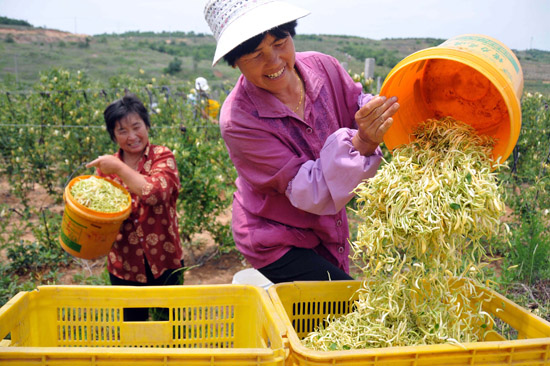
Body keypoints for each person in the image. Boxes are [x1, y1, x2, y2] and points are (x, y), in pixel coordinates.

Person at [203, 0, 400, 283]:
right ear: (235, 62)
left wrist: (384, 112)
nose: (274, 61)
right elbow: (309, 191)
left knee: (329, 310)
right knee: (340, 306)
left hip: (326, 227)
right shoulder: (239, 121)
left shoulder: (324, 67)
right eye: (256, 55)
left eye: (280, 42)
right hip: (277, 238)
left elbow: (356, 103)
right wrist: (363, 142)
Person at [86, 94, 184, 320]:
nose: (132, 137)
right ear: (113, 135)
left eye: (136, 127)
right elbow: (99, 212)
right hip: (124, 263)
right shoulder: (105, 168)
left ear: (147, 126)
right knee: (133, 328)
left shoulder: (162, 156)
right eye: (122, 131)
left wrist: (119, 169)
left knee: (171, 325)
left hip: (164, 257)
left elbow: (156, 193)